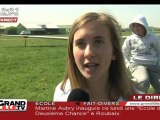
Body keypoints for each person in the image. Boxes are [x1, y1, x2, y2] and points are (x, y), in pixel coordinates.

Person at [53, 12, 135, 102]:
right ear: (71, 54)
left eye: (98, 42)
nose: (88, 53)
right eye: (81, 43)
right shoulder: (62, 94)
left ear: (114, 52)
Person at [122, 15, 160, 94]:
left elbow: (159, 51)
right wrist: (128, 64)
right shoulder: (130, 39)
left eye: (138, 25)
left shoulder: (154, 38)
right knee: (143, 80)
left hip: (153, 65)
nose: (135, 27)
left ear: (144, 25)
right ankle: (140, 100)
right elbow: (123, 53)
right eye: (134, 25)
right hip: (137, 65)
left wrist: (157, 63)